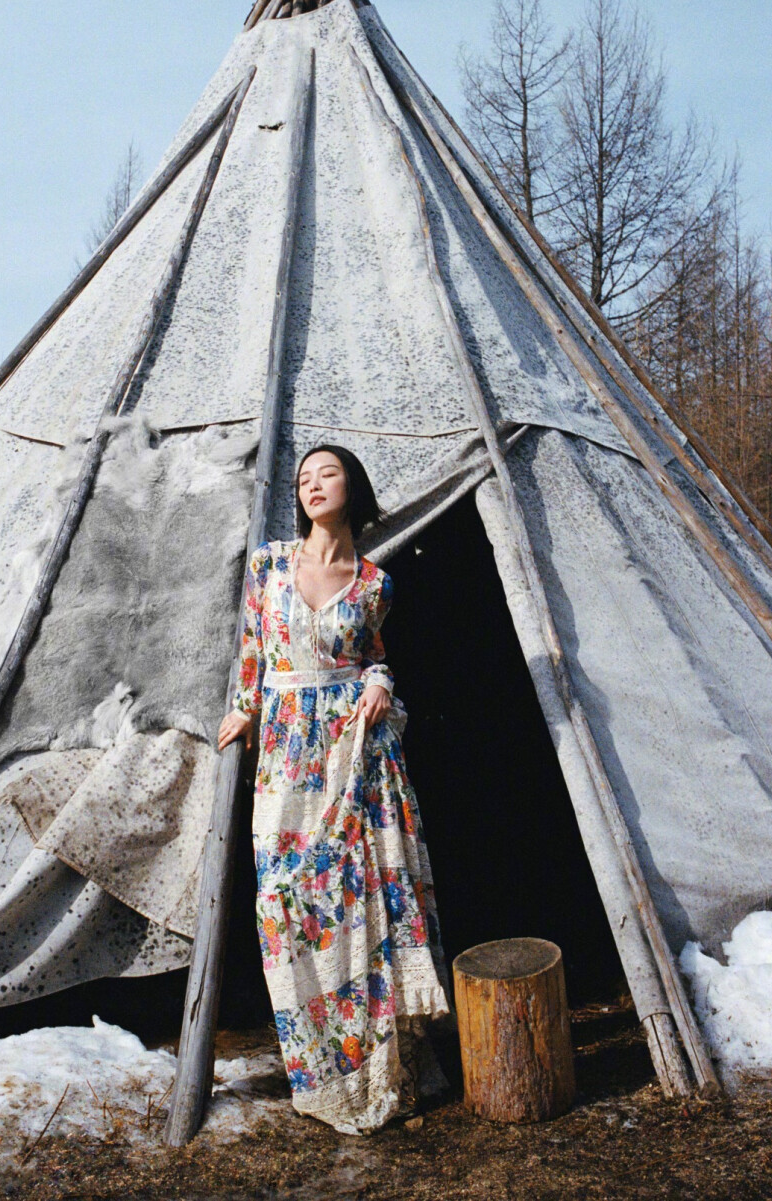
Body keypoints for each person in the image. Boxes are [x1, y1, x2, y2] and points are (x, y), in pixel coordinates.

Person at [218, 445, 450, 1134]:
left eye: (328, 473)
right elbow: (255, 647)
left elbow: (372, 655)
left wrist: (378, 683)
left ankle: (381, 1065)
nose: (313, 485)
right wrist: (247, 705)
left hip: (355, 756)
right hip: (288, 755)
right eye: (304, 478)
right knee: (288, 903)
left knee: (363, 895)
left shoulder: (375, 582)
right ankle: (321, 1065)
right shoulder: (269, 563)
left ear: (352, 486)